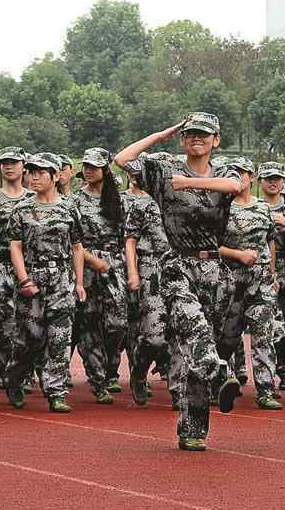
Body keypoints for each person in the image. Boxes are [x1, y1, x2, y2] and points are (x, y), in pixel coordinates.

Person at [115, 112, 243, 452]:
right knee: (195, 329)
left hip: (214, 267)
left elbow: (235, 186)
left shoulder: (224, 172)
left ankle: (192, 429)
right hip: (176, 266)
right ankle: (219, 375)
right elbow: (123, 159)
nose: (195, 139)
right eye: (189, 134)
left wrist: (189, 184)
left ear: (216, 140)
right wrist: (160, 134)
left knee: (193, 351)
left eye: (203, 134)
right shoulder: (163, 168)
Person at [5, 153, 86, 413]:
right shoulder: (22, 209)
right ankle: (15, 378)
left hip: (61, 278)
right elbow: (15, 247)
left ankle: (56, 391)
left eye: (41, 172)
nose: (34, 176)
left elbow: (76, 247)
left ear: (55, 176)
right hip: (32, 278)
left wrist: (79, 282)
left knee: (60, 338)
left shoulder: (69, 208)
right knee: (29, 339)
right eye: (32, 172)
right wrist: (23, 278)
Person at [218, 157, 282, 410]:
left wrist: (272, 272)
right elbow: (212, 247)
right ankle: (221, 382)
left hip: (261, 280)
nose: (238, 177)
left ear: (252, 177)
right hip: (230, 279)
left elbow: (271, 242)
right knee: (227, 337)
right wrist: (237, 255)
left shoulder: (263, 208)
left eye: (243, 173)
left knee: (263, 335)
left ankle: (266, 389)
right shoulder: (220, 208)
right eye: (233, 173)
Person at [73, 147, 127, 403]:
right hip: (86, 262)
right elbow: (72, 241)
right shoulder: (75, 200)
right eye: (86, 165)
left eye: (94, 166)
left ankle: (110, 368)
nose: (89, 170)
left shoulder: (118, 200)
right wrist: (93, 262)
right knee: (90, 323)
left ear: (106, 170)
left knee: (117, 324)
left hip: (115, 263)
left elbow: (128, 236)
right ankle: (97, 381)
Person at [0, 147, 34, 389]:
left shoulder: (33, 198)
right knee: (2, 323)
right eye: (4, 163)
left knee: (30, 321)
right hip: (1, 265)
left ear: (23, 166)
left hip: (29, 266)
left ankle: (24, 372)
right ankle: (0, 370)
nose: (8, 167)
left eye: (13, 162)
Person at [124, 167, 174, 406]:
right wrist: (133, 272)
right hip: (152, 267)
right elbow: (130, 239)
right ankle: (140, 367)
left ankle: (181, 387)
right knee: (155, 336)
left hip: (183, 266)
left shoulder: (186, 200)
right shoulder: (142, 204)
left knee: (183, 329)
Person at [257, 161, 285, 393]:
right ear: (260, 181)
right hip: (264, 271)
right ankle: (271, 374)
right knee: (271, 323)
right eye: (268, 178)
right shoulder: (253, 207)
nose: (273, 182)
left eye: (277, 178)